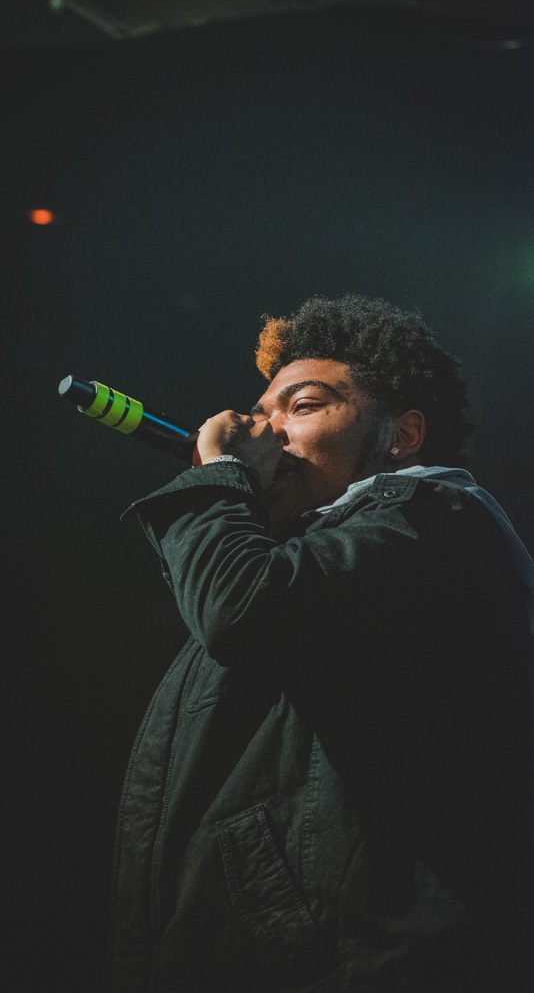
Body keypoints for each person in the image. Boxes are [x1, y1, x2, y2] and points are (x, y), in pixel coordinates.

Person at [104, 295, 533, 993]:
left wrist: (221, 480)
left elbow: (240, 609)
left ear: (402, 436)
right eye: (263, 414)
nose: (267, 434)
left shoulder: (436, 517)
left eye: (301, 407)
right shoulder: (315, 556)